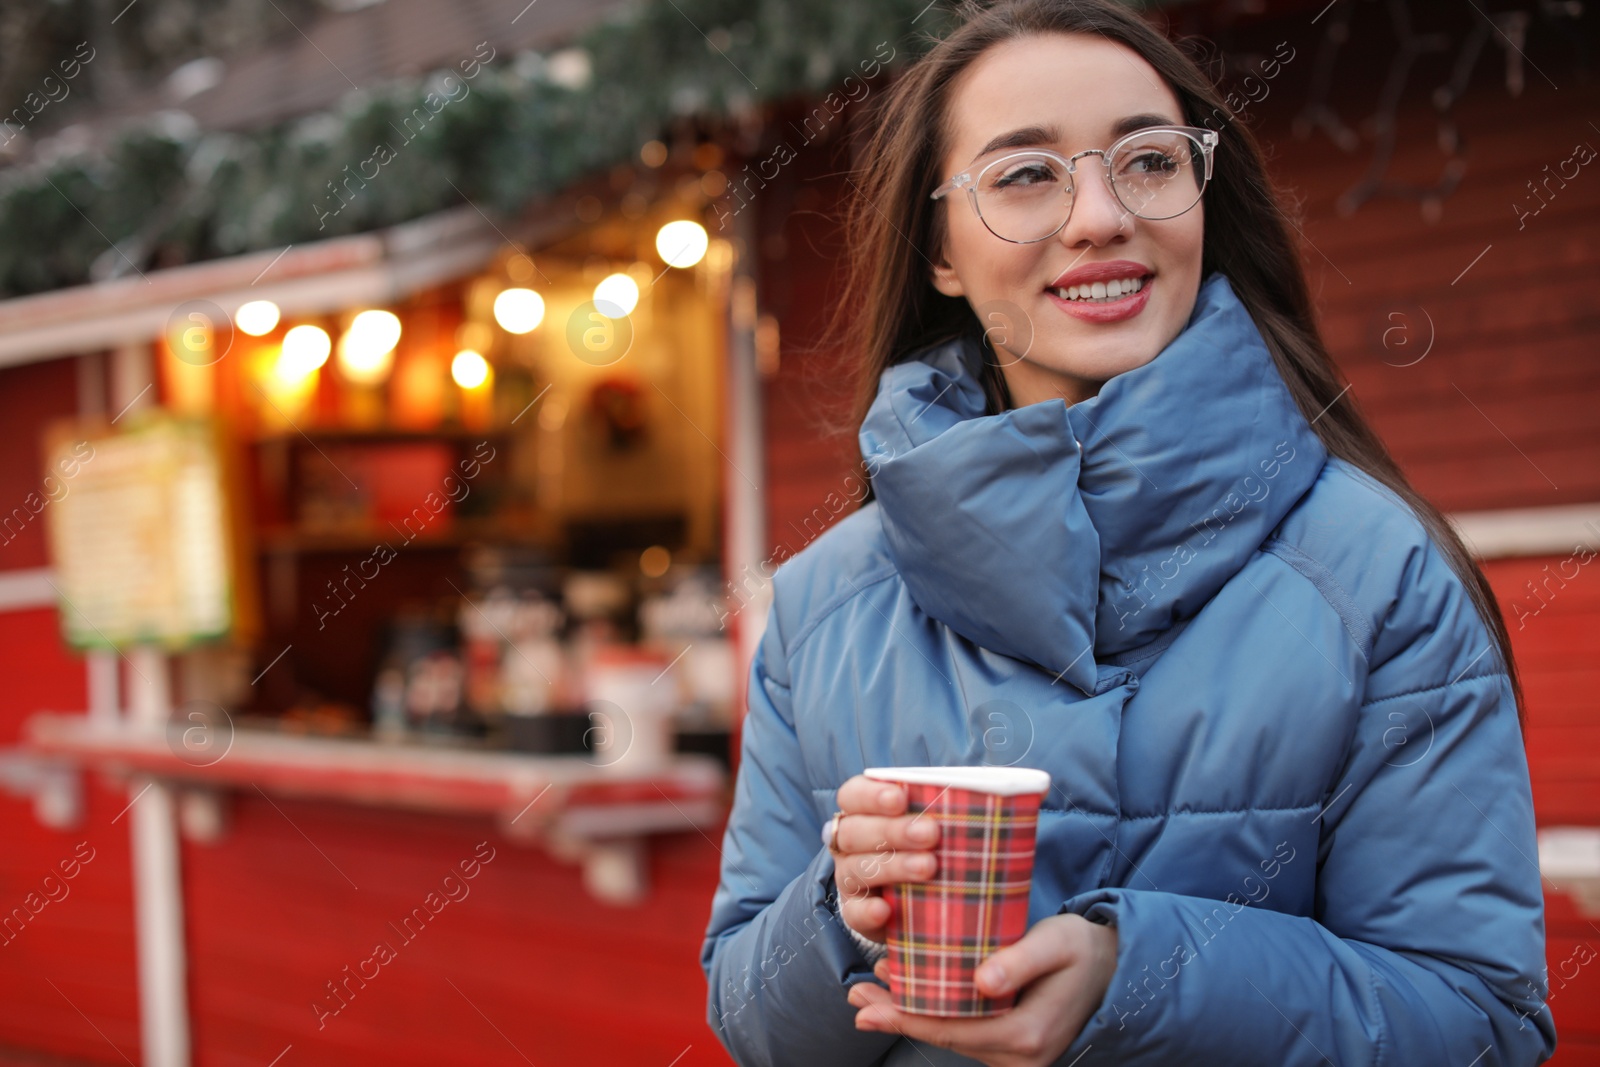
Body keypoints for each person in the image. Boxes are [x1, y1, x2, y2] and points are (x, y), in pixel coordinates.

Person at [700, 0, 1554, 1063]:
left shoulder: (1376, 576)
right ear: (940, 254)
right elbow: (752, 1021)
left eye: (1148, 161)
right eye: (1024, 175)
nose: (1100, 216)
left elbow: (1479, 1022)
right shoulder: (827, 603)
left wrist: (1137, 979)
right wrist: (839, 909)